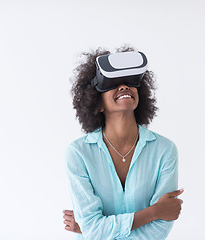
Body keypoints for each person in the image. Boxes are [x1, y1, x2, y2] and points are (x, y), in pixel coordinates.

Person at [63, 45, 184, 239]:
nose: (124, 86)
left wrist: (95, 229)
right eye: (112, 83)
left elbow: (159, 230)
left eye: (130, 81)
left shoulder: (165, 150)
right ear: (97, 102)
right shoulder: (78, 153)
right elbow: (94, 230)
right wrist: (154, 212)